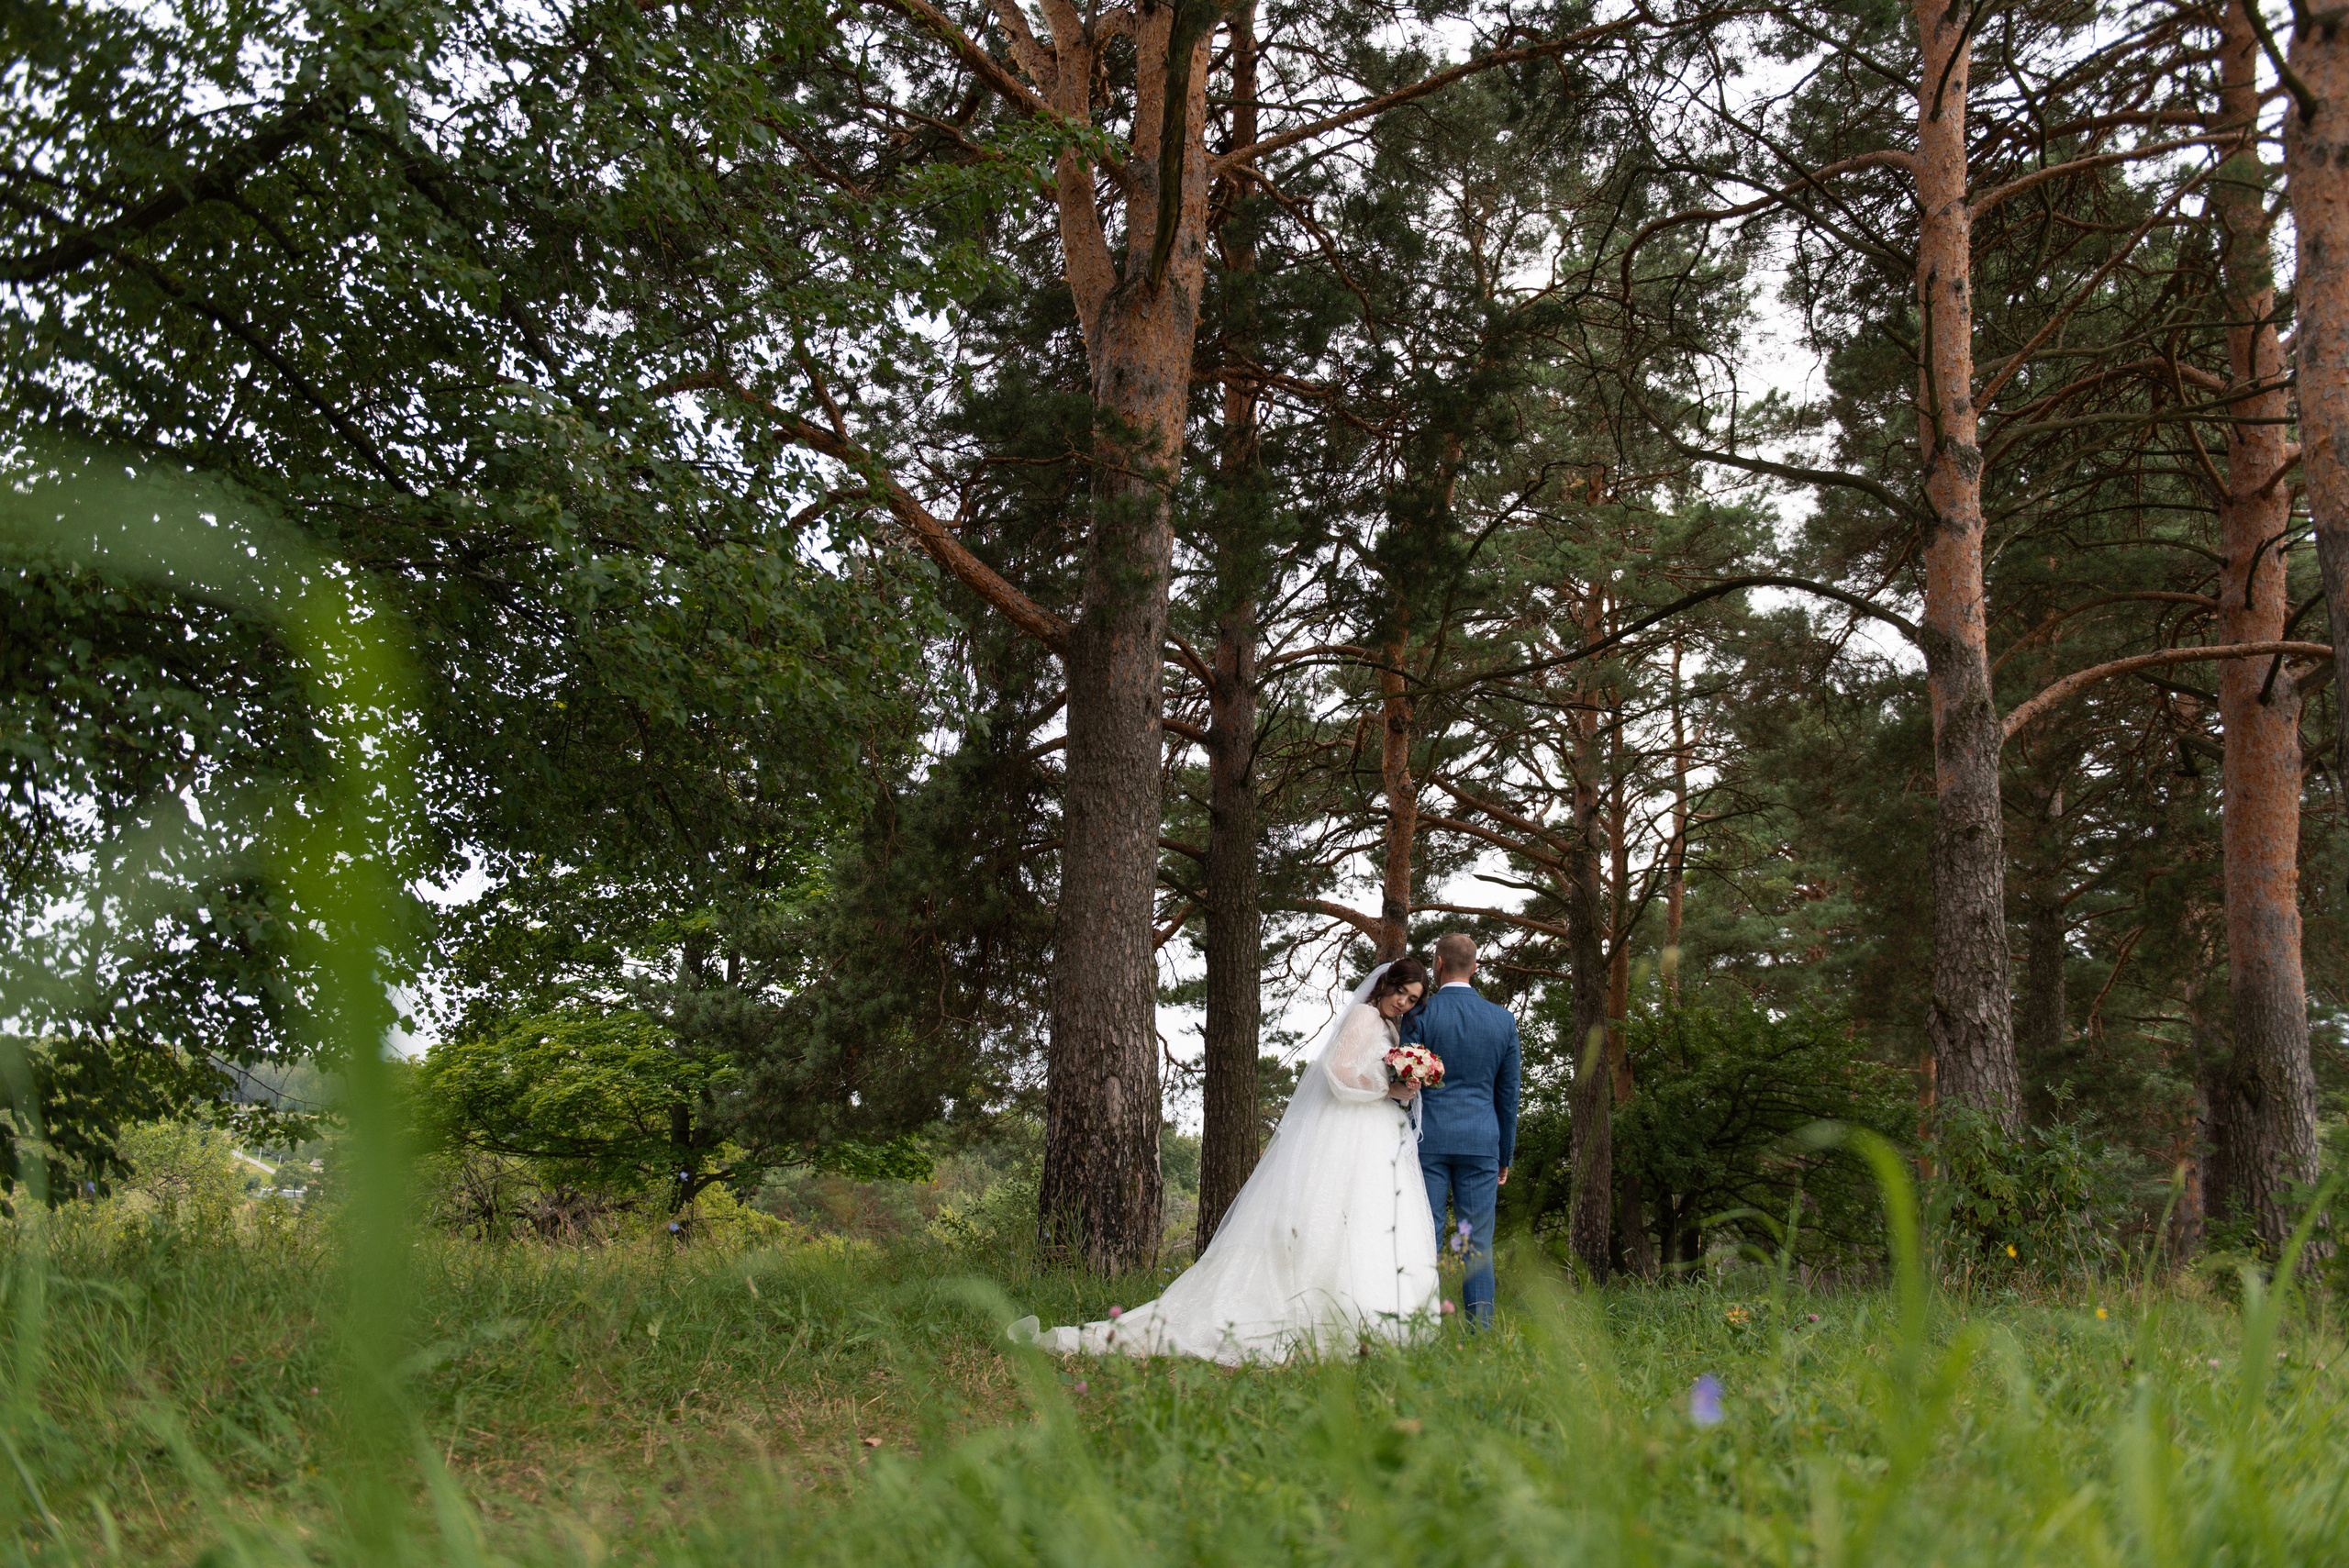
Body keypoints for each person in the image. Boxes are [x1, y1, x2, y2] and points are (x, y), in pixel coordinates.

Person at [1013, 959, 1439, 1363]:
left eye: (1412, 998)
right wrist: (1388, 1089)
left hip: (1371, 1130)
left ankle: (1361, 1312)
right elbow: (1338, 1069)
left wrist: (1404, 1081)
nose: (1403, 1002)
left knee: (1366, 1219)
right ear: (1385, 984)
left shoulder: (1387, 1026)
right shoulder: (1365, 1017)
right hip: (1348, 1126)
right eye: (1400, 991)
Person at [1403, 932, 1520, 1328]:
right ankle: (1480, 1335)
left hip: (1427, 1141)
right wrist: (1504, 1155)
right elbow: (1508, 1096)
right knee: (1476, 1243)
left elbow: (1405, 1082)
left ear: (1437, 963)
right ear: (1475, 965)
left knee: (1425, 1236)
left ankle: (1417, 1331)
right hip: (1481, 1142)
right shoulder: (1503, 1021)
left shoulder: (1419, 1015)